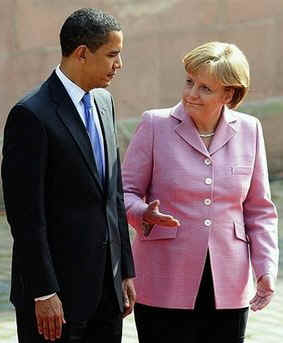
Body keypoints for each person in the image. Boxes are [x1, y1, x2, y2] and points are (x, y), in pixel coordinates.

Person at [122, 41, 278, 343]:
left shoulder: (250, 129)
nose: (191, 93)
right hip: (164, 279)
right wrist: (144, 213)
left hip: (228, 285)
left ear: (228, 94)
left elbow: (259, 211)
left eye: (205, 88)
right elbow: (125, 192)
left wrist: (266, 269)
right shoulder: (155, 124)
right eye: (190, 81)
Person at [1, 8, 135, 343]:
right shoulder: (30, 115)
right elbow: (25, 216)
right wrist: (43, 292)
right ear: (81, 54)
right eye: (112, 55)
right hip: (55, 300)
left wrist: (125, 270)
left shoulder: (104, 101)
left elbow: (113, 194)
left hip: (107, 292)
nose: (119, 65)